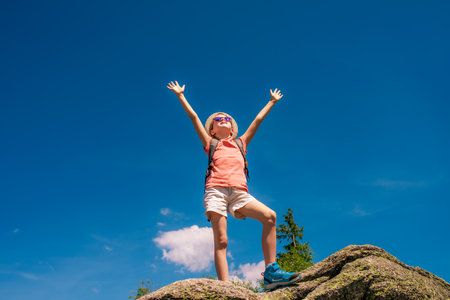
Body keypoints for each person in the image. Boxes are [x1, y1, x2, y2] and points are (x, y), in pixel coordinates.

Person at [167, 81, 301, 291]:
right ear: (211, 129)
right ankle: (225, 288)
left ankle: (271, 272)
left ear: (231, 128)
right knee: (222, 240)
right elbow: (193, 117)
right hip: (216, 191)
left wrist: (272, 102)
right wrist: (180, 96)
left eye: (227, 119)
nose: (224, 120)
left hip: (239, 193)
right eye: (219, 119)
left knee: (270, 216)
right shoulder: (210, 143)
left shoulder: (241, 143)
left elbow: (257, 120)